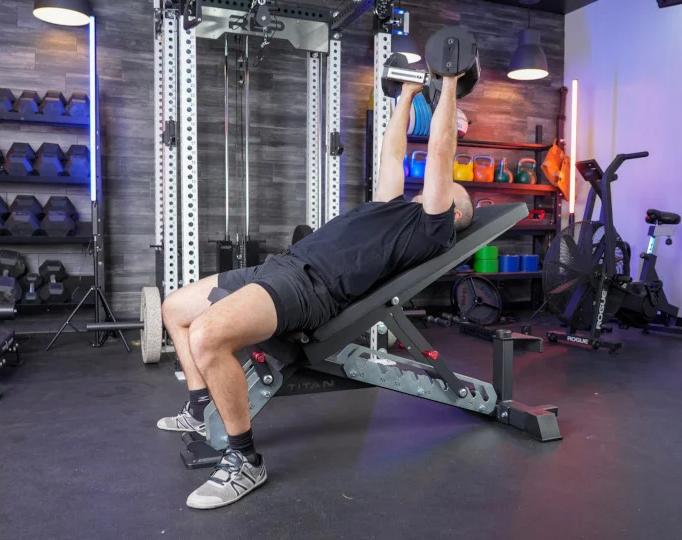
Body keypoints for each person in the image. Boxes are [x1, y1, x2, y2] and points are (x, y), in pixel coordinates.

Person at [158, 75, 473, 510]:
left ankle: (245, 459)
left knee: (207, 336)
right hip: (282, 266)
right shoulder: (391, 207)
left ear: (452, 210)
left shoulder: (430, 229)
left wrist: (452, 80)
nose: (427, 189)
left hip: (311, 288)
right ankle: (198, 407)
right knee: (174, 308)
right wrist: (406, 97)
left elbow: (440, 153)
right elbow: (393, 151)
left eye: (441, 191)